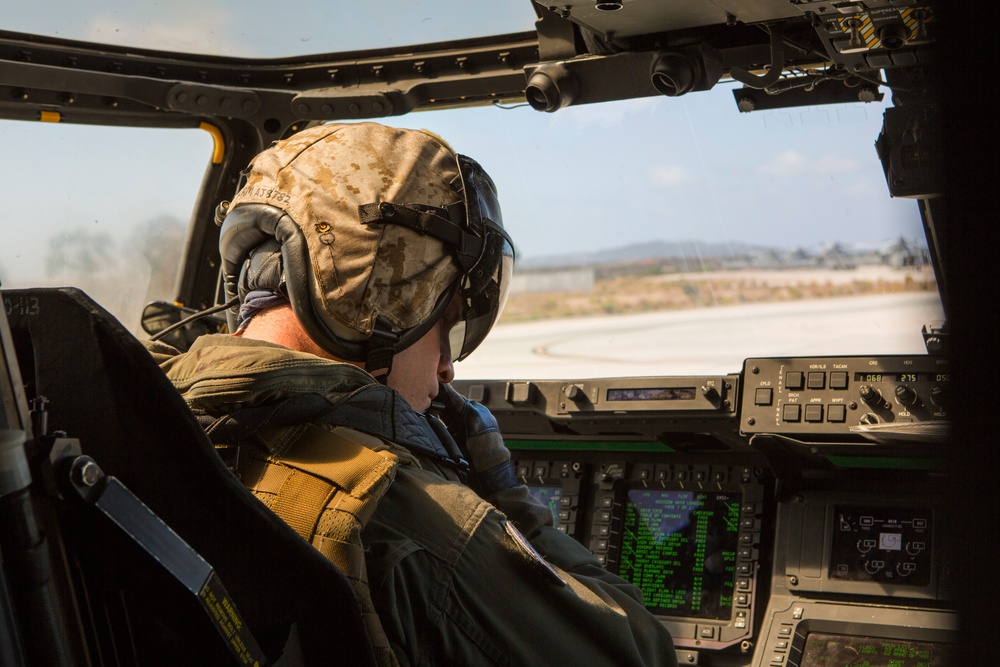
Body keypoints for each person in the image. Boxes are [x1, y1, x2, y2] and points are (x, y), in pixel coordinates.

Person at [146, 122, 678, 666]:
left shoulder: (143, 425)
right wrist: (507, 503)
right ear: (386, 303)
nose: (447, 367)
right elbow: (639, 653)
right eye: (445, 323)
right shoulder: (416, 519)